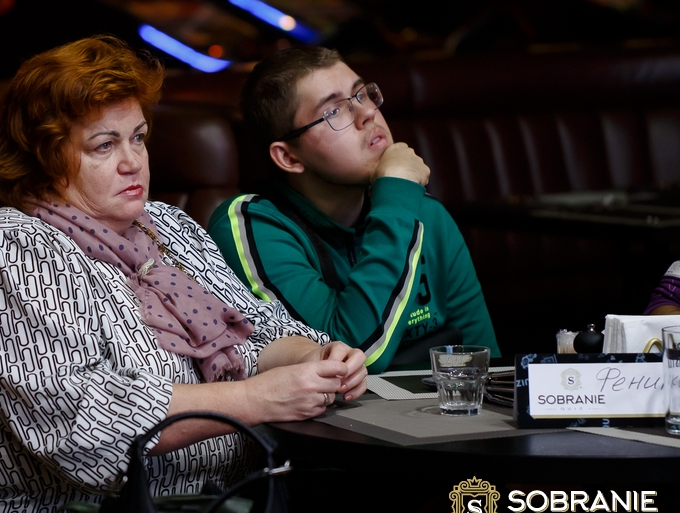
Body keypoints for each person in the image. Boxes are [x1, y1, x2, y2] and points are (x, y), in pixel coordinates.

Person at [0, 36, 367, 513]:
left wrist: (313, 357)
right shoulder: (7, 247)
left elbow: (253, 333)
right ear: (45, 158)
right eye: (104, 146)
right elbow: (82, 427)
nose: (133, 161)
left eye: (138, 138)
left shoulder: (166, 228)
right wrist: (255, 400)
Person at [208, 46, 500, 373]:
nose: (367, 114)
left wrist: (400, 200)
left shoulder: (426, 214)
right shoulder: (251, 225)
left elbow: (484, 364)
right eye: (334, 111)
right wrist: (397, 192)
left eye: (362, 95)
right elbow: (351, 360)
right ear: (289, 157)